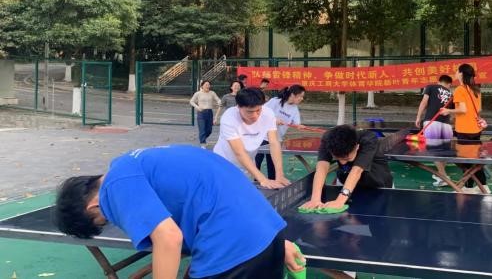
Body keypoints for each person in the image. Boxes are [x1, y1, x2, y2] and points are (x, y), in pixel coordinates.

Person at [54, 145, 305, 278]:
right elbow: (225, 189)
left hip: (232, 250)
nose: (111, 220)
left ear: (92, 206)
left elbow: (169, 237)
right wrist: (271, 239)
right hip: (268, 235)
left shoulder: (115, 186)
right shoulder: (137, 161)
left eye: (102, 220)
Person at [300, 125, 393, 211]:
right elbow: (321, 168)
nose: (342, 163)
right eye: (337, 158)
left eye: (346, 159)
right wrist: (315, 199)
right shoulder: (328, 139)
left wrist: (340, 201)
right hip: (347, 184)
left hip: (378, 185)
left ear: (357, 147)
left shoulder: (368, 139)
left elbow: (356, 171)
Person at [213, 87, 290, 189]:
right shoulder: (229, 117)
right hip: (223, 164)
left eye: (258, 110)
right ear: (238, 107)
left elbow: (274, 143)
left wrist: (279, 175)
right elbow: (239, 152)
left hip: (247, 165)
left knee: (244, 192)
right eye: (249, 112)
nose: (255, 115)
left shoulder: (268, 114)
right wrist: (263, 179)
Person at [441, 63, 489, 194]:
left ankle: (470, 187)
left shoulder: (460, 90)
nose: (455, 73)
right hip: (475, 129)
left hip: (464, 130)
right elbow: (478, 109)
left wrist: (448, 111)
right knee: (474, 160)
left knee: (466, 161)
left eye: (457, 71)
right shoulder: (476, 90)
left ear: (461, 74)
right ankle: (481, 186)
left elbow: (462, 109)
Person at [256, 85, 306, 179]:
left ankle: (273, 182)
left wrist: (299, 126)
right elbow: (260, 112)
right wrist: (274, 119)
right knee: (257, 160)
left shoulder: (294, 109)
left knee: (272, 164)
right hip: (263, 136)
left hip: (276, 139)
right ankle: (255, 180)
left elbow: (296, 123)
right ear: (293, 95)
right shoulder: (275, 101)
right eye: (300, 96)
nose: (302, 99)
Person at [415, 74, 454, 187]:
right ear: (449, 84)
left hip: (432, 122)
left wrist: (418, 117)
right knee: (444, 151)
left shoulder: (431, 87)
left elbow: (424, 102)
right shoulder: (451, 94)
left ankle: (443, 177)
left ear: (439, 81)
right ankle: (441, 175)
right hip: (446, 125)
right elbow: (452, 113)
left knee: (435, 150)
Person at [189, 80, 221, 147]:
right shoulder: (198, 93)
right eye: (206, 84)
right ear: (202, 86)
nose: (207, 86)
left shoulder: (212, 93)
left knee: (209, 130)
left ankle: (202, 138)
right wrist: (197, 107)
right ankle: (203, 143)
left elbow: (218, 99)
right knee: (202, 129)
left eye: (209, 85)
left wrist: (219, 102)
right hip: (201, 113)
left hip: (209, 112)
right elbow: (191, 101)